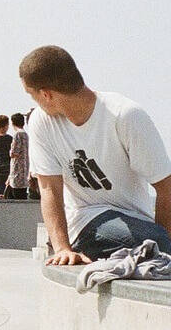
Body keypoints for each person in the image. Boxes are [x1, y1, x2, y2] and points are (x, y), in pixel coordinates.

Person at [19, 46, 171, 266]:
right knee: (152, 240)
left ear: (46, 94)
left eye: (32, 95)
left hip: (137, 224)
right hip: (84, 221)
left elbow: (166, 186)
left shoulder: (125, 116)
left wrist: (162, 246)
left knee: (152, 241)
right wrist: (62, 248)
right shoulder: (42, 123)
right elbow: (49, 188)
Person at [5, 113, 31, 200]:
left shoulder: (17, 134)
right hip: (25, 173)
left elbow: (13, 153)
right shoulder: (26, 135)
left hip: (17, 173)